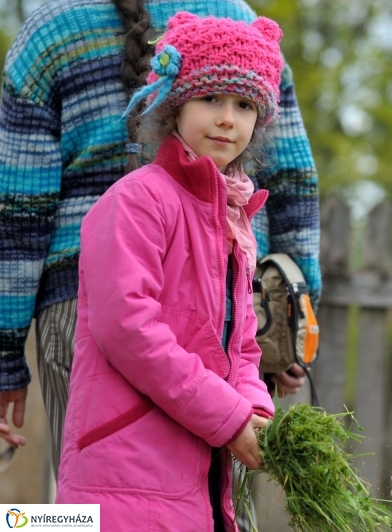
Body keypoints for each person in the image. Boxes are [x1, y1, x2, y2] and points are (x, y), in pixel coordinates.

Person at [0, 0, 320, 473]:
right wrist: (295, 316)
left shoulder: (52, 26)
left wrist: (6, 356)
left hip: (89, 314)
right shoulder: (242, 20)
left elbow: (18, 211)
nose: (227, 118)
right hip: (216, 315)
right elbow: (294, 180)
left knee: (99, 503)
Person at [53, 12, 287, 530]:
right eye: (211, 100)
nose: (228, 119)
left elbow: (242, 346)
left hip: (198, 481)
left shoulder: (233, 221)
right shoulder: (135, 202)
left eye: (245, 105)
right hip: (124, 479)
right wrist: (228, 419)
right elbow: (128, 328)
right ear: (175, 104)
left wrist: (254, 411)